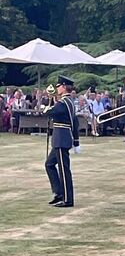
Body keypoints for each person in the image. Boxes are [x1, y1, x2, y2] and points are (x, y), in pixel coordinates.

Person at [44, 75, 80, 208]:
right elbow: (74, 123)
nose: (57, 88)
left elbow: (51, 112)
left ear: (64, 87)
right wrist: (76, 141)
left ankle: (67, 199)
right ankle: (59, 193)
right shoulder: (69, 101)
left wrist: (47, 106)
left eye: (58, 86)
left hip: (61, 138)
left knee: (64, 170)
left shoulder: (63, 102)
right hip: (61, 138)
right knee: (49, 164)